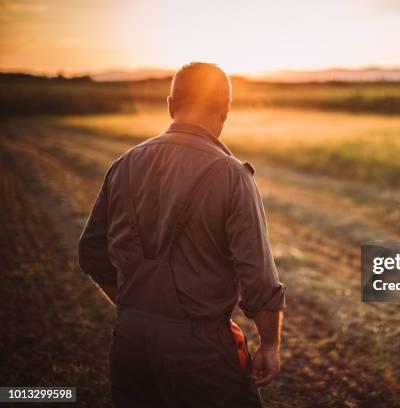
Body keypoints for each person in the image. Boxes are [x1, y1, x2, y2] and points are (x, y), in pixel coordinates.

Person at [78, 62, 285, 408]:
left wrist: (141, 307)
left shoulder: (124, 164)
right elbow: (258, 279)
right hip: (200, 352)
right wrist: (269, 346)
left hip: (130, 342)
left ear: (171, 105)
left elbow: (91, 253)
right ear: (226, 111)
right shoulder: (233, 176)